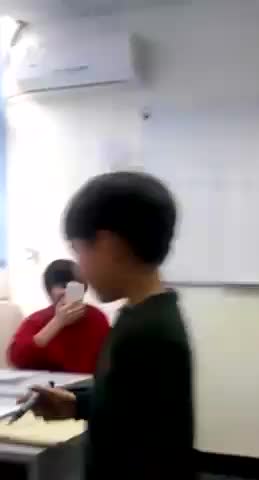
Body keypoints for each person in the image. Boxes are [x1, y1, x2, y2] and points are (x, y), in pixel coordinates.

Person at [23, 172, 195, 480]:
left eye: (79, 252)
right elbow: (129, 405)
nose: (80, 270)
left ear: (108, 245)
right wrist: (76, 404)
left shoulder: (148, 333)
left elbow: (151, 454)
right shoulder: (141, 314)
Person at [8, 259, 110, 373]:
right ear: (49, 292)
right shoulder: (37, 320)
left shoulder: (97, 317)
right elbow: (17, 359)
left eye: (74, 287)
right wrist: (57, 322)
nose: (68, 292)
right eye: (62, 286)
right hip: (50, 382)